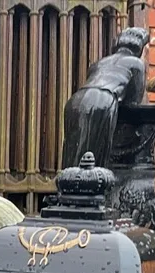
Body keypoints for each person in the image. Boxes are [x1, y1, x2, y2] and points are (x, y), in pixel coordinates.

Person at [61, 28, 150, 170]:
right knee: (93, 155)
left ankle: (67, 185)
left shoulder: (100, 62)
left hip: (76, 100)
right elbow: (134, 101)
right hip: (102, 98)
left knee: (73, 152)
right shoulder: (136, 63)